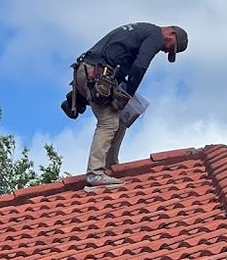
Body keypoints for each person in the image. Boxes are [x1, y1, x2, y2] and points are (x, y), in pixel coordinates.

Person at [63, 23, 188, 191]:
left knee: (119, 118)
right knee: (108, 122)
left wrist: (123, 93)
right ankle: (95, 174)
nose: (165, 51)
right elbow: (140, 65)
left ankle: (110, 166)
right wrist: (126, 93)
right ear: (171, 33)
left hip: (89, 71)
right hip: (95, 73)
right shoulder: (155, 35)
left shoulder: (141, 30)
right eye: (170, 47)